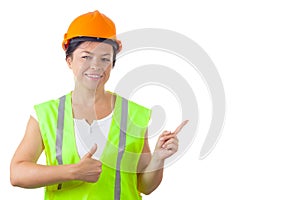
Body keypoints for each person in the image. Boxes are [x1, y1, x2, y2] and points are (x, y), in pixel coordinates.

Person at [10, 10, 188, 200]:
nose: (96, 66)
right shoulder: (45, 115)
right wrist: (73, 172)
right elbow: (17, 174)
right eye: (86, 57)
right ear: (69, 60)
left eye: (104, 59)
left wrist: (158, 159)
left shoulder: (135, 115)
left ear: (112, 63)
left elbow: (145, 186)